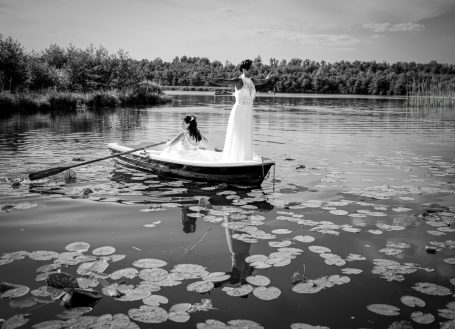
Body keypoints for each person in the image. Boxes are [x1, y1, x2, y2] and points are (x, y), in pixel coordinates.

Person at [210, 59, 274, 162]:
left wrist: (267, 79)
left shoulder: (252, 80)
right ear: (244, 69)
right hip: (239, 112)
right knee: (238, 135)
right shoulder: (239, 80)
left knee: (246, 136)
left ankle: (244, 159)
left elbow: (262, 81)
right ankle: (234, 160)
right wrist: (210, 79)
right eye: (251, 67)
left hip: (248, 113)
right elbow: (224, 81)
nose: (253, 69)